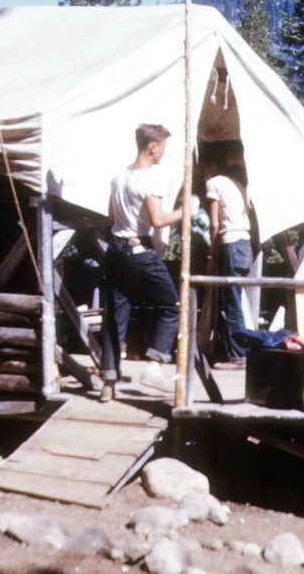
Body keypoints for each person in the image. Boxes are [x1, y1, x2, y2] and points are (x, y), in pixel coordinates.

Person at [100, 123, 183, 402]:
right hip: (139, 250)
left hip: (116, 249)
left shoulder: (119, 177)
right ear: (153, 147)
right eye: (163, 148)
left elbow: (112, 216)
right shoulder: (151, 179)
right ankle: (155, 365)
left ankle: (108, 381)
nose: (163, 154)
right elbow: (158, 220)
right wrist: (186, 211)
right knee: (170, 306)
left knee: (115, 315)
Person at [203, 156, 252, 367]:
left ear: (213, 165)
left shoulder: (213, 183)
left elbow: (214, 223)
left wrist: (211, 253)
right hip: (244, 243)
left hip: (230, 243)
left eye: (203, 166)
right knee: (233, 300)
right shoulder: (239, 184)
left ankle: (237, 355)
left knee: (230, 302)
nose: (201, 171)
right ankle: (230, 351)